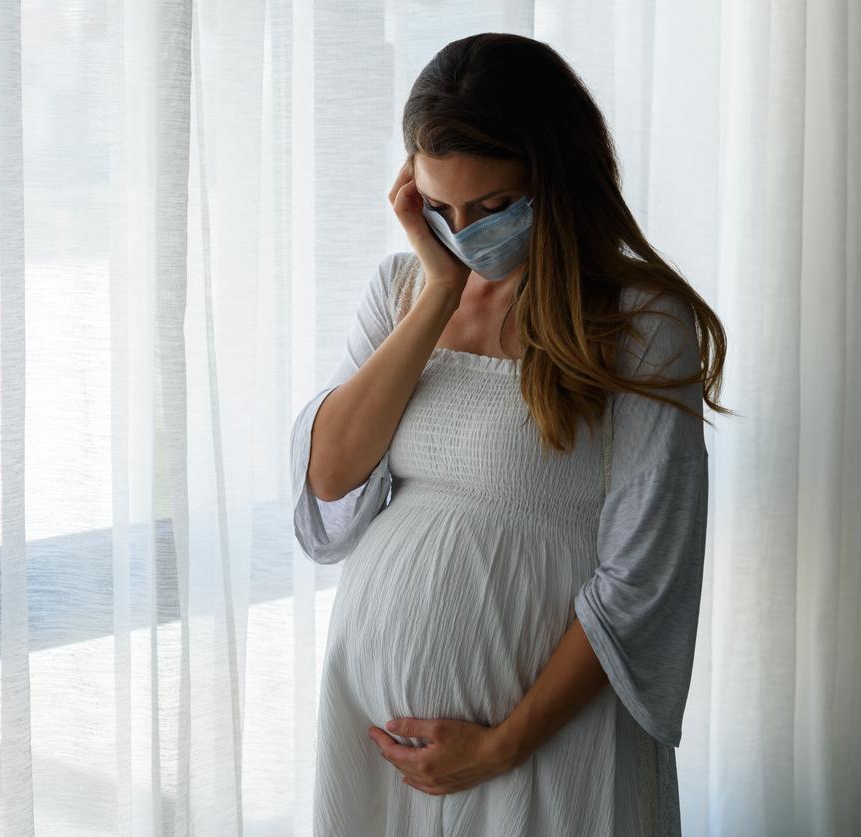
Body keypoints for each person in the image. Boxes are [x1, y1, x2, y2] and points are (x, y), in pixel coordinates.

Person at [290, 32, 731, 836]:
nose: (465, 230)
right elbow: (331, 473)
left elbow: (643, 574)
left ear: (556, 177)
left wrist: (502, 744)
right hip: (380, 738)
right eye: (441, 209)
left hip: (546, 743)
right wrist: (440, 289)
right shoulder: (400, 293)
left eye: (492, 208)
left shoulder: (638, 323)